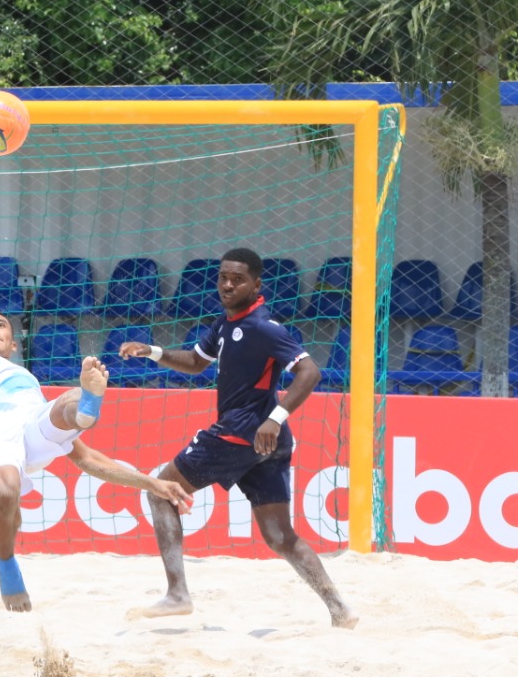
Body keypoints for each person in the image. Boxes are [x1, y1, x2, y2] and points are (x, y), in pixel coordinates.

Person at [119, 247, 358, 629]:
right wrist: (153, 351)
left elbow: (310, 372)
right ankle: (339, 610)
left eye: (238, 279)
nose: (228, 285)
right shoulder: (226, 323)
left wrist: (276, 417)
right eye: (223, 277)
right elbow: (197, 363)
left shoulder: (265, 328)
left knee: (159, 488)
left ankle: (177, 594)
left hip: (241, 433)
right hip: (265, 443)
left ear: (256, 284)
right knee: (280, 536)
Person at [0, 311, 192, 612]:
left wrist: (151, 483)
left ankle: (85, 406)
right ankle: (6, 565)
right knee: (6, 492)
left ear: (13, 345)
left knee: (67, 401)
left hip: (31, 422)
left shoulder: (27, 378)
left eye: (1, 325)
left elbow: (88, 458)